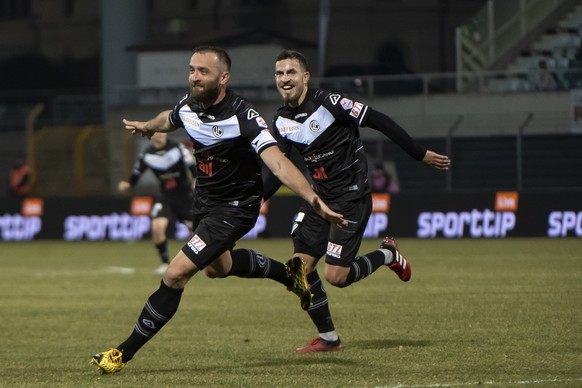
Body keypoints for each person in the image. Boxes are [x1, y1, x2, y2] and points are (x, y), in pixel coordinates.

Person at [90, 46, 345, 374]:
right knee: (217, 269)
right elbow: (168, 119)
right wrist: (147, 126)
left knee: (175, 274)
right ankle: (290, 275)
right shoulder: (189, 104)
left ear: (223, 78)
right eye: (192, 69)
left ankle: (121, 354)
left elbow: (279, 165)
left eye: (203, 71)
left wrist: (313, 199)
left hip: (235, 208)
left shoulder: (243, 116)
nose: (194, 76)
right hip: (206, 203)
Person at [260, 50, 450, 353]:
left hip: (351, 199)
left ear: (305, 77)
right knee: (299, 271)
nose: (285, 79)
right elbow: (279, 166)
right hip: (319, 201)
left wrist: (419, 153)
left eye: (291, 72)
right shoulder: (281, 119)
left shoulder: (331, 103)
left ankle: (388, 255)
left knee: (337, 277)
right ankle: (330, 339)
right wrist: (260, 198)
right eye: (280, 74)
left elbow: (380, 120)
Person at [118, 132, 196, 274]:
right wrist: (127, 184)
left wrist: (196, 180)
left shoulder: (177, 147)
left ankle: (198, 261)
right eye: (156, 132)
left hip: (186, 197)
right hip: (165, 197)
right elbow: (136, 173)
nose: (160, 134)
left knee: (196, 232)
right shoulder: (147, 154)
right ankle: (165, 263)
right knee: (157, 227)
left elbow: (191, 165)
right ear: (150, 135)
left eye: (162, 131)